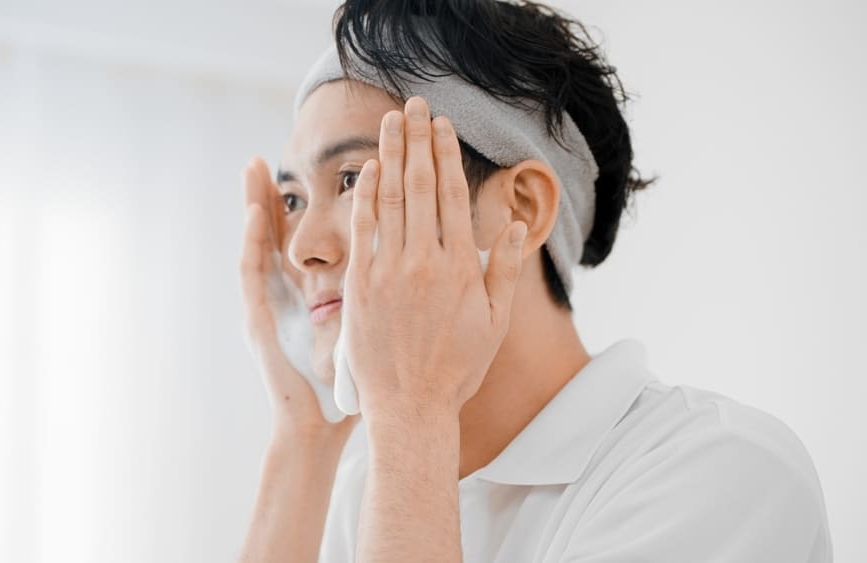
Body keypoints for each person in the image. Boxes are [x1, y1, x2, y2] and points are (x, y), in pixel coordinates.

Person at [236, 1, 833, 561]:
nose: (301, 248)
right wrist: (306, 437)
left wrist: (411, 415)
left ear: (520, 207)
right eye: (292, 197)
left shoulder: (723, 474)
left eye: (349, 179)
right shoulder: (368, 481)